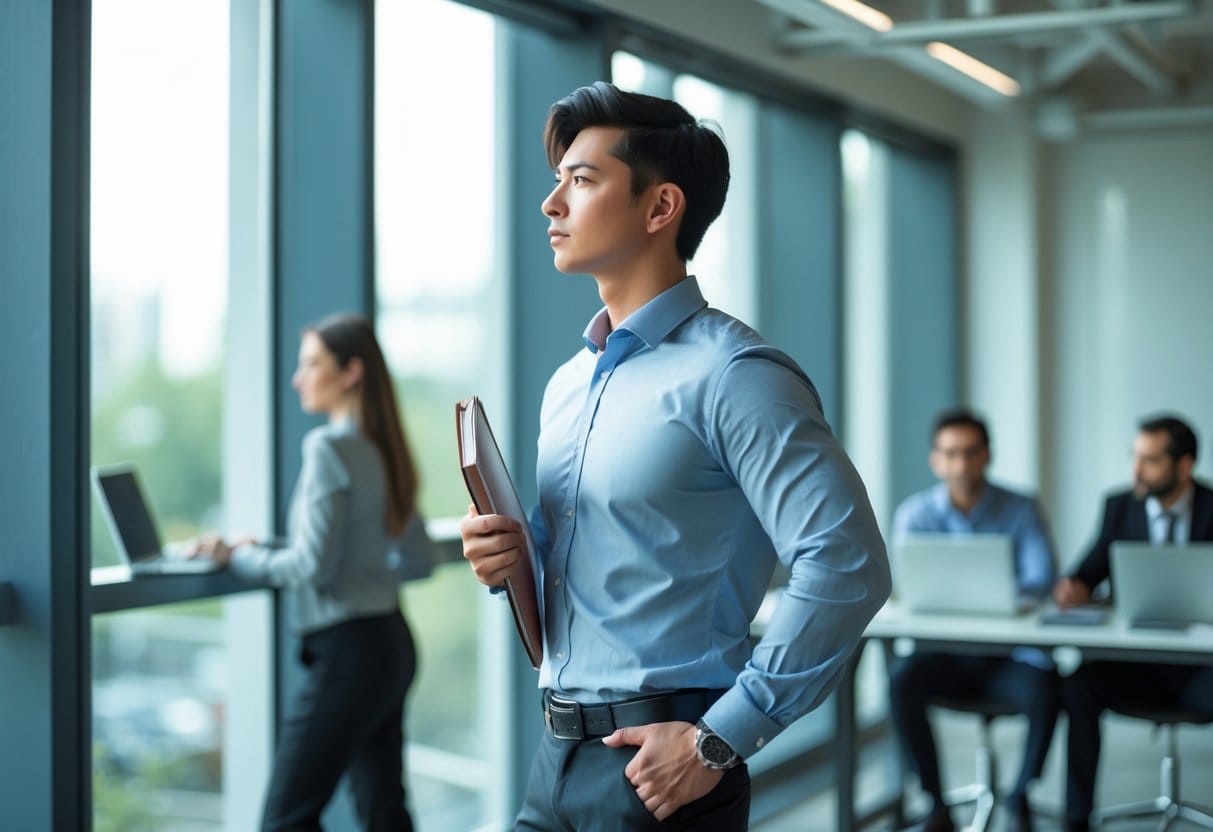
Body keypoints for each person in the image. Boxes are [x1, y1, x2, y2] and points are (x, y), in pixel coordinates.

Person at [459, 81, 890, 831]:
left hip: (664, 770)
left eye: (582, 180)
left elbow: (847, 564)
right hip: (553, 759)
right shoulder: (570, 383)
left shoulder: (736, 376)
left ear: (660, 208)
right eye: (557, 180)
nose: (551, 203)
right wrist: (510, 560)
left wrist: (720, 739)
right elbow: (588, 568)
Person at [193, 313, 421, 831]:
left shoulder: (328, 447)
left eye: (311, 364)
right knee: (384, 810)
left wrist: (237, 557)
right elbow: (419, 559)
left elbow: (308, 566)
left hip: (348, 654)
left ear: (350, 373)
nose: (298, 378)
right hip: (391, 641)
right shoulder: (385, 450)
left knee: (286, 820)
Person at [887, 409, 1058, 832]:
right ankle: (934, 804)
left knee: (1049, 686)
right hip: (945, 658)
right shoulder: (915, 514)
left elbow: (1041, 578)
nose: (961, 464)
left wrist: (999, 597)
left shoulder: (1021, 508)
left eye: (970, 453)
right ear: (936, 460)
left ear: (987, 456)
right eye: (951, 454)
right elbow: (908, 585)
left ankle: (1019, 797)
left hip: (1008, 658)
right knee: (903, 680)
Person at [1053, 414, 1213, 831]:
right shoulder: (1119, 506)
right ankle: (1076, 818)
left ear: (1184, 465)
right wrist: (1075, 588)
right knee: (1077, 685)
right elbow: (1087, 572)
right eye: (1135, 458)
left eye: (1151, 461)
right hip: (1137, 665)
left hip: (1202, 670)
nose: (1136, 471)